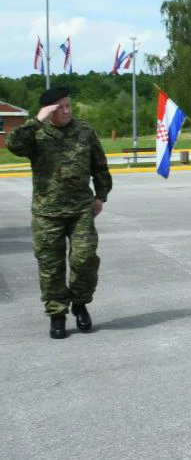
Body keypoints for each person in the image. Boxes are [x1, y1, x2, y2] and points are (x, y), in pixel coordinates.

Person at [7, 87, 112, 339]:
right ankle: (57, 314)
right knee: (51, 266)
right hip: (47, 213)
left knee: (84, 260)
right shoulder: (36, 133)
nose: (66, 111)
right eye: (59, 107)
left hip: (81, 211)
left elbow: (99, 165)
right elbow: (13, 144)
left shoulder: (85, 131)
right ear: (48, 110)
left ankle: (80, 303)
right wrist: (37, 120)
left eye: (68, 106)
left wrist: (101, 195)